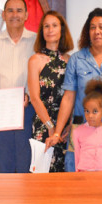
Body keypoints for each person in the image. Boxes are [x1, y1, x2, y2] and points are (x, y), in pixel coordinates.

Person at [47, 8, 102, 171]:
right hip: (82, 134)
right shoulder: (76, 60)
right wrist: (57, 132)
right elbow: (68, 98)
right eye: (92, 27)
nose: (97, 32)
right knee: (80, 188)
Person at [0, 0, 36, 173]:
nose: (15, 15)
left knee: (27, 162)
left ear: (26, 15)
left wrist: (28, 95)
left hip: (29, 110)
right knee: (4, 165)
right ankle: (8, 201)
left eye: (19, 10)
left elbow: (42, 76)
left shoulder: (37, 42)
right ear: (4, 15)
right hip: (0, 112)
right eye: (10, 10)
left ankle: (27, 201)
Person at [26, 10, 73, 172]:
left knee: (64, 174)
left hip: (65, 126)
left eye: (54, 25)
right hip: (43, 123)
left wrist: (68, 125)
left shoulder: (70, 60)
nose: (50, 30)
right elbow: (34, 98)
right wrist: (51, 127)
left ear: (62, 30)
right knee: (42, 173)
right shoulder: (35, 60)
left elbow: (73, 96)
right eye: (46, 26)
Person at [71, 79, 102, 172]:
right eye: (87, 111)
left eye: (95, 111)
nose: (90, 115)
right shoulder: (77, 131)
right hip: (84, 173)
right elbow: (77, 155)